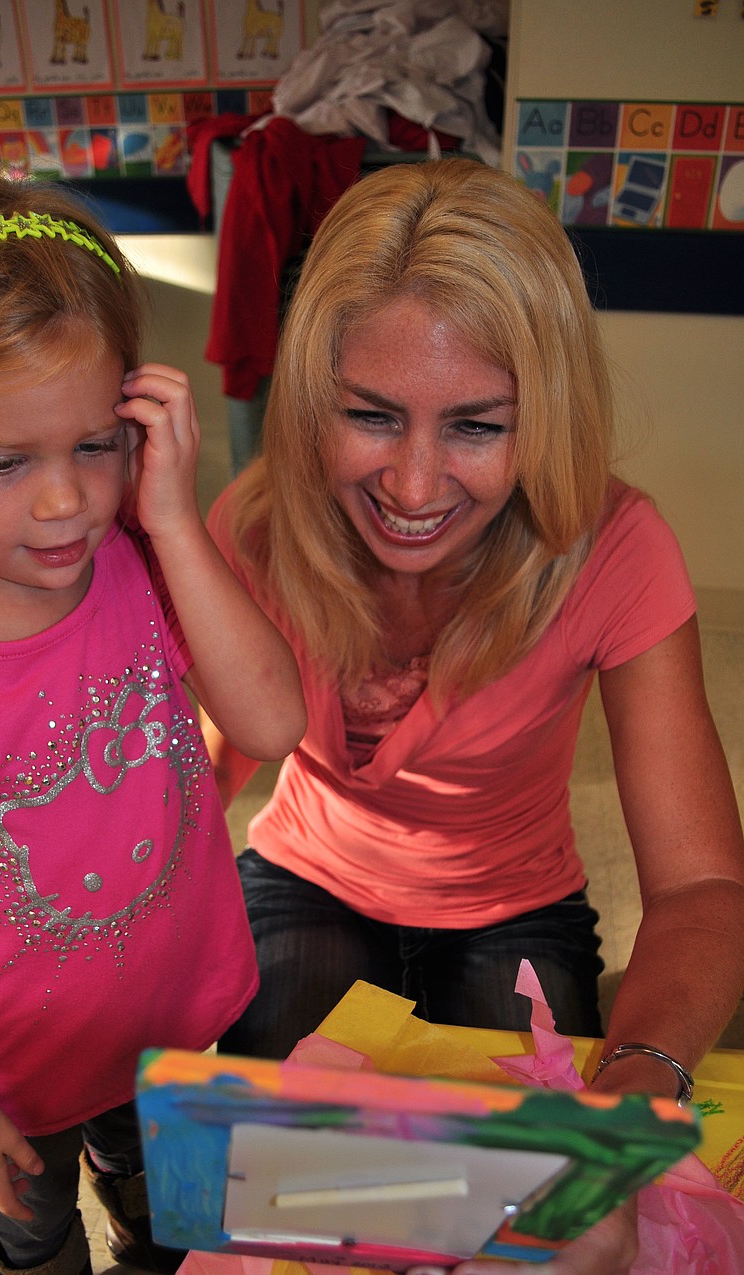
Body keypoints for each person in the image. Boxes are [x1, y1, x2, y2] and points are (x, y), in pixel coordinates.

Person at [203, 158, 744, 1273]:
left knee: (520, 1224)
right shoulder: (252, 531)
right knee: (276, 1197)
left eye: (475, 428)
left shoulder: (615, 545)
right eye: (370, 416)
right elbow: (210, 752)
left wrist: (634, 1089)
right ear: (313, 398)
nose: (410, 487)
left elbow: (700, 886)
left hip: (514, 899)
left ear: (543, 414)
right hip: (307, 871)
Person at [0, 173, 306, 1275]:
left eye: (94, 443)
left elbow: (270, 719)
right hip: (17, 1076)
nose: (65, 501)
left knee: (162, 1225)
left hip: (173, 1028)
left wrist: (171, 513)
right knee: (36, 1245)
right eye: (3, 463)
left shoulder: (148, 558)